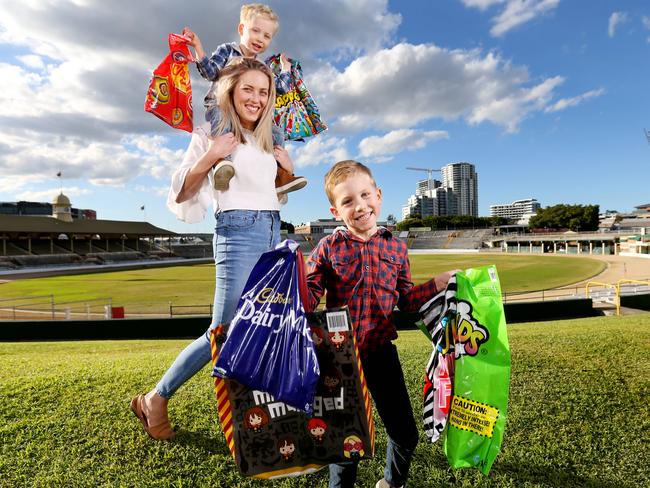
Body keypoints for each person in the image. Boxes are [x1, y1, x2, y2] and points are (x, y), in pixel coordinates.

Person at [131, 57, 294, 441]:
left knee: (259, 328)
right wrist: (210, 156)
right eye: (248, 89)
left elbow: (275, 195)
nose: (256, 98)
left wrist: (286, 168)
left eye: (264, 91)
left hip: (271, 231)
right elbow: (182, 192)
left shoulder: (268, 137)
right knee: (222, 331)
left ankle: (260, 421)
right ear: (232, 90)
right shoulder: (212, 130)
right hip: (237, 232)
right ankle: (156, 397)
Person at [304, 160, 456, 488]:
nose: (359, 206)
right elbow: (309, 297)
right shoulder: (328, 247)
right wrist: (291, 283)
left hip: (381, 353)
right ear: (335, 211)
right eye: (347, 201)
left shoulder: (396, 247)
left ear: (379, 195)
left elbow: (407, 300)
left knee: (404, 432)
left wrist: (437, 284)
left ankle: (392, 483)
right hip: (339, 359)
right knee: (347, 445)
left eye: (364, 195)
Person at [182, 3, 306, 195]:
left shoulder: (261, 66)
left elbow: (278, 88)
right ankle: (222, 164)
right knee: (222, 127)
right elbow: (211, 71)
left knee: (277, 131)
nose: (260, 38)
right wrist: (199, 48)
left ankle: (280, 174)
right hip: (221, 105)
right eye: (256, 31)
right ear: (242, 29)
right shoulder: (228, 51)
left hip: (247, 115)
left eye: (267, 36)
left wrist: (286, 70)